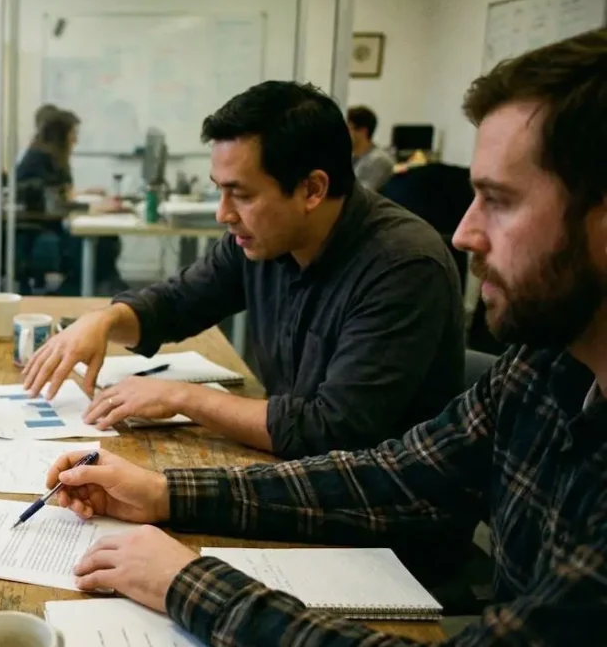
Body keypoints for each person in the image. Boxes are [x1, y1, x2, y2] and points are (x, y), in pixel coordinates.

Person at [43, 29, 607, 645]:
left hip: (396, 553)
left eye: (498, 200)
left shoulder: (404, 263)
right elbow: (393, 472)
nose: (465, 234)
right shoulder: (543, 366)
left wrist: (190, 583)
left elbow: (341, 438)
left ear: (312, 190)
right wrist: (163, 492)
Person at [24, 82, 465, 460]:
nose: (223, 214)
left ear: (312, 189)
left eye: (242, 194)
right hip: (295, 470)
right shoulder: (265, 240)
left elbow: (333, 430)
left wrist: (181, 397)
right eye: (220, 191)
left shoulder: (402, 267)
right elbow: (177, 303)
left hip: (379, 522)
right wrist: (103, 322)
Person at [14, 109, 126, 295]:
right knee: (103, 242)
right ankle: (81, 290)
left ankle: (106, 287)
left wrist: (84, 193)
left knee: (107, 237)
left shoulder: (46, 156)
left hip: (45, 226)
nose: (76, 139)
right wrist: (91, 206)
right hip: (36, 233)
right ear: (60, 136)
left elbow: (54, 194)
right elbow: (53, 205)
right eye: (73, 133)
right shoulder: (40, 159)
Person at [347, 105, 396, 192]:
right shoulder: (351, 156)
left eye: (348, 128)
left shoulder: (378, 160)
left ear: (363, 131)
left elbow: (362, 195)